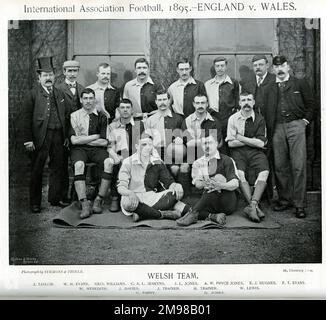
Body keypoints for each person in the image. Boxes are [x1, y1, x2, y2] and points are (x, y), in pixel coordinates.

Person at [262, 55, 316, 218]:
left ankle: (299, 204)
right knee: (280, 165)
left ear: (288, 67)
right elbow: (266, 109)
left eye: (282, 66)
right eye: (276, 67)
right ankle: (285, 200)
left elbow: (312, 104)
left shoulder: (299, 83)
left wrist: (304, 121)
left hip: (296, 126)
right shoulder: (270, 87)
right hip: (277, 128)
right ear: (273, 69)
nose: (279, 69)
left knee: (299, 165)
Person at [22, 56, 70, 213]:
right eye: (45, 75)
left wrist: (67, 136)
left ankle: (55, 198)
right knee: (37, 169)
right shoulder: (32, 94)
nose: (48, 78)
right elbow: (24, 119)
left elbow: (67, 116)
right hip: (40, 137)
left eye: (50, 75)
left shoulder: (60, 93)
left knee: (58, 167)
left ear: (55, 76)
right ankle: (35, 203)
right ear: (39, 77)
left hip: (58, 136)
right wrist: (28, 140)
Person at [117, 133, 191, 222]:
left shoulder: (157, 162)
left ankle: (143, 214)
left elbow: (169, 182)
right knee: (127, 203)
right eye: (143, 144)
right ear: (137, 146)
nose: (147, 147)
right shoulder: (127, 162)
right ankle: (163, 214)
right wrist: (130, 193)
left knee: (173, 195)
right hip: (133, 197)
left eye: (150, 144)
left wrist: (176, 185)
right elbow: (121, 187)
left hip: (152, 197)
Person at [176, 134, 239, 227]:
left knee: (216, 180)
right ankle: (213, 216)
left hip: (227, 202)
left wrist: (220, 185)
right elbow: (197, 184)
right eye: (204, 143)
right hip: (210, 202)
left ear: (216, 144)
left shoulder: (227, 160)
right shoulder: (198, 163)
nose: (207, 146)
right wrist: (209, 183)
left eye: (210, 142)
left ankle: (193, 213)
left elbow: (235, 183)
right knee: (181, 205)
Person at [70, 88, 114, 219]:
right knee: (78, 165)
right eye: (85, 98)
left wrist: (82, 139)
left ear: (94, 100)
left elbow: (104, 142)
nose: (88, 101)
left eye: (91, 98)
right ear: (81, 100)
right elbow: (73, 140)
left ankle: (99, 199)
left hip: (97, 150)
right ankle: (84, 203)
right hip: (79, 150)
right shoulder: (74, 116)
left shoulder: (102, 116)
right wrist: (94, 136)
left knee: (109, 162)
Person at [226, 92, 269, 222]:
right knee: (240, 173)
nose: (246, 103)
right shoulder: (232, 119)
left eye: (249, 100)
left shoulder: (260, 118)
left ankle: (252, 205)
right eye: (243, 100)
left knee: (264, 172)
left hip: (256, 152)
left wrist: (239, 137)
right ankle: (254, 206)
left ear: (253, 102)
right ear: (239, 103)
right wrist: (252, 140)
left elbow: (261, 143)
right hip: (238, 152)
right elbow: (231, 143)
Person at [180, 94, 223, 196]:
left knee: (213, 168)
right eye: (198, 103)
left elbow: (213, 143)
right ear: (193, 104)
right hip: (192, 153)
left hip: (210, 154)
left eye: (203, 103)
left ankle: (211, 195)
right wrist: (205, 140)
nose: (200, 105)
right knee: (183, 167)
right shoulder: (187, 121)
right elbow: (188, 143)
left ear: (207, 104)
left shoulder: (214, 122)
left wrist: (197, 140)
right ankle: (187, 198)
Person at [107, 98, 145, 212]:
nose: (125, 110)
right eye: (122, 107)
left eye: (128, 107)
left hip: (135, 154)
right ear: (119, 109)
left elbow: (144, 143)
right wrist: (116, 157)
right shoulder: (113, 126)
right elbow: (110, 147)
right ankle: (115, 197)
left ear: (132, 110)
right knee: (114, 163)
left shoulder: (139, 125)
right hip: (119, 155)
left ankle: (137, 198)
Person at [56, 60, 85, 204]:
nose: (72, 74)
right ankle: (62, 195)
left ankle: (77, 194)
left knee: (78, 162)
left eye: (75, 71)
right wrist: (65, 134)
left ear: (78, 72)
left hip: (78, 132)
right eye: (69, 71)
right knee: (62, 164)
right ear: (64, 72)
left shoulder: (82, 88)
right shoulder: (58, 88)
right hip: (62, 131)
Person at [145, 88, 184, 176]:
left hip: (173, 152)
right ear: (156, 101)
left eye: (164, 99)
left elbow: (183, 137)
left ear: (169, 101)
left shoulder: (178, 118)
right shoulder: (150, 120)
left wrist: (180, 139)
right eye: (159, 100)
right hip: (156, 152)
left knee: (175, 168)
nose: (162, 102)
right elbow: (147, 140)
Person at [204, 57, 240, 141]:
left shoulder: (233, 83)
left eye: (222, 66)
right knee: (213, 141)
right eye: (217, 66)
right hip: (213, 117)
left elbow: (237, 101)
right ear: (214, 67)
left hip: (229, 117)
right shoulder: (208, 84)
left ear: (226, 67)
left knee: (228, 141)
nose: (220, 68)